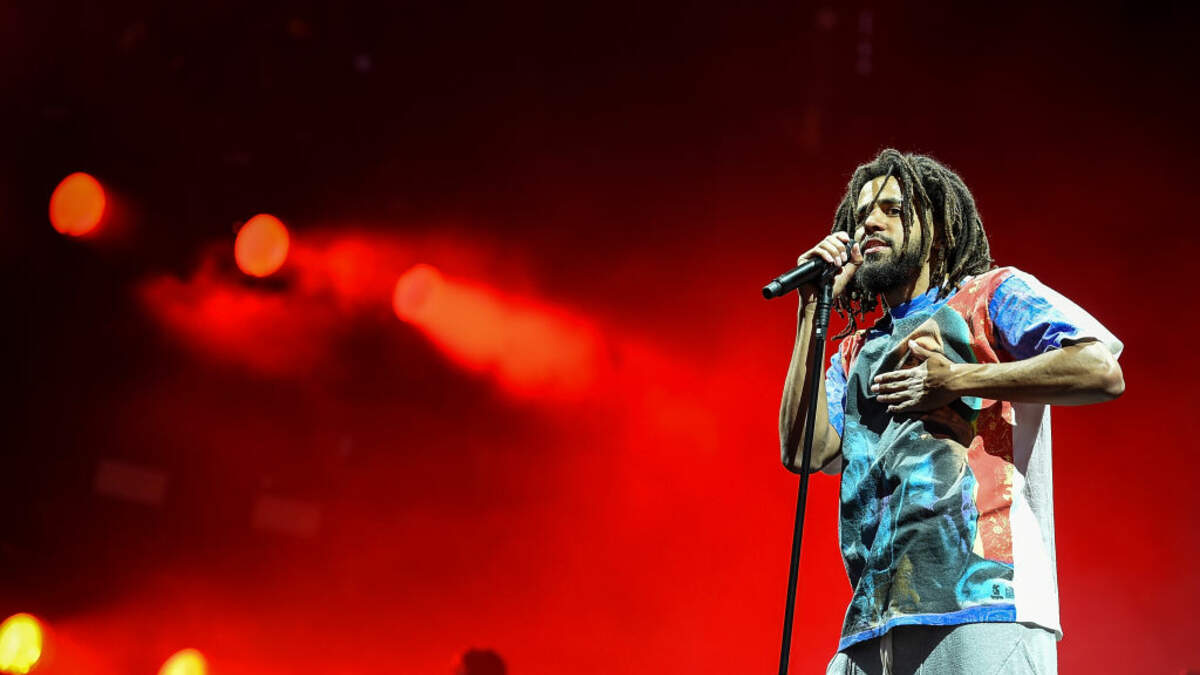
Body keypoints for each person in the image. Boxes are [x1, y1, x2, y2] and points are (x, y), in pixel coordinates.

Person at [779, 149, 1124, 675]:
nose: (869, 222)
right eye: (862, 213)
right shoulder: (853, 352)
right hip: (872, 622)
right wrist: (810, 310)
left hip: (985, 605)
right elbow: (804, 453)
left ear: (938, 231)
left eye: (892, 209)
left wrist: (957, 379)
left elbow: (1100, 370)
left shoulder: (990, 295)